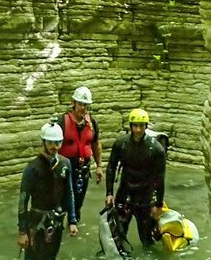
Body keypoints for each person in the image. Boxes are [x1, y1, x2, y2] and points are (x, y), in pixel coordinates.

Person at [17, 122, 78, 260]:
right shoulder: (32, 168)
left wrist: (72, 220)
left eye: (58, 142)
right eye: (50, 142)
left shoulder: (65, 164)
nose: (54, 146)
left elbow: (69, 193)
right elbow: (23, 200)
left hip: (56, 221)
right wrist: (22, 231)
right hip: (36, 223)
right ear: (43, 142)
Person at [105, 108, 166, 247]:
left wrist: (158, 204)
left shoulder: (156, 149)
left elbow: (160, 178)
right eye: (135, 126)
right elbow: (111, 168)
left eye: (141, 126)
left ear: (146, 126)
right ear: (130, 126)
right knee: (118, 236)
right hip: (125, 193)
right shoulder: (121, 144)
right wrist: (109, 193)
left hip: (145, 197)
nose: (138, 130)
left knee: (146, 240)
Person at [57, 86, 103, 222]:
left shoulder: (91, 122)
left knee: (77, 205)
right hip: (64, 171)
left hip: (82, 170)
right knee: (60, 205)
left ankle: (73, 228)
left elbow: (96, 144)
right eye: (80, 104)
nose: (83, 107)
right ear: (74, 103)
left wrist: (99, 166)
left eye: (86, 105)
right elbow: (51, 147)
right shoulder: (62, 122)